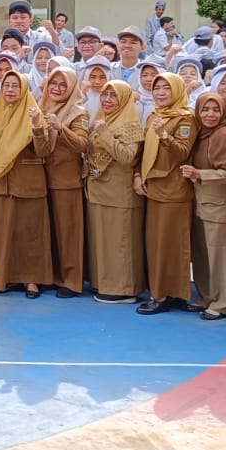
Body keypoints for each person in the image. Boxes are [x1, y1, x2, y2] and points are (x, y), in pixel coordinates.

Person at [0, 71, 52, 298]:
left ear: (24, 89)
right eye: (6, 85)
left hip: (27, 185)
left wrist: (35, 126)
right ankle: (6, 277)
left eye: (16, 86)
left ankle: (31, 279)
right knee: (3, 233)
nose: (10, 90)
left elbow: (43, 151)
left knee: (30, 234)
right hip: (1, 184)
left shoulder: (34, 114)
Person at [135, 73, 196, 315]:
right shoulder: (155, 115)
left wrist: (164, 135)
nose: (160, 93)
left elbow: (182, 152)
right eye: (157, 88)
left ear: (178, 90)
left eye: (166, 88)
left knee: (173, 244)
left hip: (174, 189)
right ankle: (163, 291)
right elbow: (143, 151)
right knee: (157, 243)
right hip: (154, 187)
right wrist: (137, 175)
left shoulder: (186, 119)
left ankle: (168, 294)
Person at [86, 80, 145, 304]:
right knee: (103, 240)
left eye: (114, 96)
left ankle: (124, 289)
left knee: (120, 242)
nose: (107, 100)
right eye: (105, 95)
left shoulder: (130, 125)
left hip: (119, 193)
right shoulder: (101, 119)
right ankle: (104, 282)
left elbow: (127, 157)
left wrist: (105, 134)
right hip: (98, 188)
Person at [184, 92, 226, 320]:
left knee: (218, 258)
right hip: (200, 203)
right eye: (205, 109)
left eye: (216, 110)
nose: (210, 114)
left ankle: (220, 303)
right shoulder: (201, 134)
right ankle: (206, 297)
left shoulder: (223, 135)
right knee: (202, 256)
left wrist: (199, 174)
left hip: (218, 206)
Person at [40, 65, 89, 298]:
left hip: (66, 181)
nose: (57, 88)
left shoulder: (78, 113)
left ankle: (71, 280)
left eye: (63, 85)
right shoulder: (40, 107)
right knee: (48, 231)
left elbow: (82, 144)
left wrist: (61, 129)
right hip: (42, 179)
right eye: (53, 83)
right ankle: (51, 275)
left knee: (68, 232)